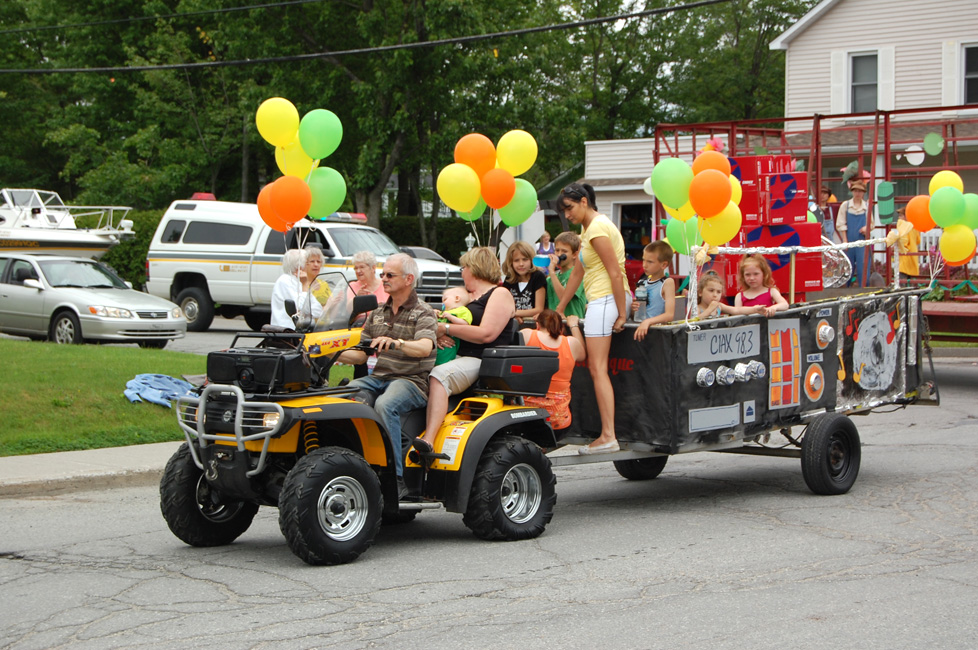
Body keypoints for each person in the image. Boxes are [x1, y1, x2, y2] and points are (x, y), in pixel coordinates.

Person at [337, 253, 437, 499]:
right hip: (378, 377)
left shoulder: (423, 311)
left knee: (386, 404)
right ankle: (354, 469)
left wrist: (397, 343)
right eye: (382, 274)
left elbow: (425, 347)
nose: (383, 279)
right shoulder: (377, 312)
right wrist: (331, 353)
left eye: (389, 275)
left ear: (408, 279)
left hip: (412, 380)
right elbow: (361, 355)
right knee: (342, 396)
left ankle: (394, 478)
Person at [415, 247, 516, 454]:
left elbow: (486, 334)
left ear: (474, 268)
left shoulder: (500, 293)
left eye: (463, 267)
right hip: (459, 355)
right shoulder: (469, 297)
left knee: (439, 376)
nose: (461, 272)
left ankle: (429, 439)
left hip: (482, 358)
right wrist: (440, 332)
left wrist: (447, 328)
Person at [554, 183, 631, 455]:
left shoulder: (597, 228)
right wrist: (560, 308)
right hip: (604, 299)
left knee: (598, 369)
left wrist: (622, 312)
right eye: (564, 210)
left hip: (606, 300)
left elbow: (615, 273)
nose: (567, 214)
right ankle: (607, 434)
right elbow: (578, 273)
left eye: (570, 207)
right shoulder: (590, 229)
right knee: (598, 368)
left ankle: (608, 435)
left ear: (584, 201)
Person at [520, 310, 586, 430]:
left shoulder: (527, 335)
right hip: (559, 422)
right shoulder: (571, 343)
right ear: (561, 327)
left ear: (538, 325)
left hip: (525, 419)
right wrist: (574, 325)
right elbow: (582, 354)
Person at [632, 240, 676, 341]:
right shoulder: (642, 282)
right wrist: (633, 309)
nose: (644, 265)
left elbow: (669, 315)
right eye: (643, 260)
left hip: (658, 335)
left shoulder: (667, 283)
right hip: (641, 332)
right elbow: (639, 313)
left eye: (650, 262)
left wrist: (648, 322)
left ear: (663, 265)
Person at [837, 180, 873, 287]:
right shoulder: (846, 205)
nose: (858, 193)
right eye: (856, 191)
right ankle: (846, 291)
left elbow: (872, 224)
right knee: (848, 267)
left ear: (863, 193)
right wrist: (845, 241)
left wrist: (867, 228)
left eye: (860, 191)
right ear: (852, 192)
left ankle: (863, 290)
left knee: (863, 266)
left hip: (862, 241)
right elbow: (841, 223)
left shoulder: (867, 206)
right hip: (849, 240)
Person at [502, 240, 547, 323]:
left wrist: (514, 313)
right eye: (516, 260)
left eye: (525, 259)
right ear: (511, 263)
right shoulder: (509, 279)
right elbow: (504, 305)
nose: (521, 264)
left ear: (531, 260)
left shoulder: (538, 277)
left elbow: (539, 309)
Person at [546, 231, 587, 319]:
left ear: (575, 254)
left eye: (564, 251)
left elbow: (563, 298)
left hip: (572, 325)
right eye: (557, 250)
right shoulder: (550, 280)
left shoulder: (578, 276)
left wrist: (552, 273)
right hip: (554, 326)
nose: (559, 254)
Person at [434, 286, 473, 365]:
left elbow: (464, 324)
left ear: (457, 298)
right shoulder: (445, 312)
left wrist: (451, 317)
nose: (443, 303)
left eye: (445, 299)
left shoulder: (463, 310)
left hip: (449, 345)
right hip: (435, 343)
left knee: (443, 362)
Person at [270, 249, 305, 329]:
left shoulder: (300, 280)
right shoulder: (285, 281)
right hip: (287, 330)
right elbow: (300, 307)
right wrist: (305, 286)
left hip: (302, 328)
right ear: (299, 267)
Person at [296, 246, 326, 327]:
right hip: (309, 326)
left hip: (326, 326)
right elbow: (302, 310)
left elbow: (333, 307)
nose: (316, 265)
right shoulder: (300, 283)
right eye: (312, 261)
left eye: (318, 261)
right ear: (304, 264)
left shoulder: (324, 284)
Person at [896, 207, 921, 280]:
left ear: (906, 216)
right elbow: (918, 240)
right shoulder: (914, 226)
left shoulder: (903, 226)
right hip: (913, 256)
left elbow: (904, 241)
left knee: (902, 282)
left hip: (905, 257)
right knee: (912, 283)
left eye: (901, 216)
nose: (899, 218)